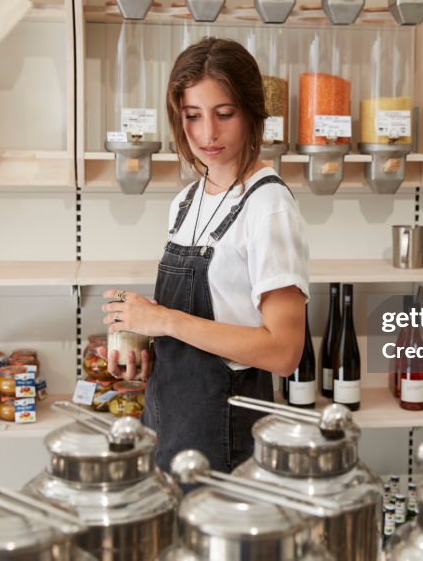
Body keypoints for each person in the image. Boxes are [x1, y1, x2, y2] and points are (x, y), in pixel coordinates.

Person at [101, 37, 309, 474]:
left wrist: (164, 320)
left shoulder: (268, 205)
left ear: (252, 113)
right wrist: (146, 343)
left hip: (225, 439)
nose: (207, 134)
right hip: (168, 425)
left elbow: (284, 351)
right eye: (192, 116)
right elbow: (204, 327)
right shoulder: (185, 202)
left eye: (224, 114)